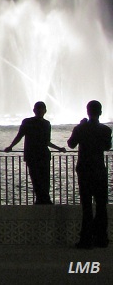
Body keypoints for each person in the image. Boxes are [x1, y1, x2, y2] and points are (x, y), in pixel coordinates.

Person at [67, 100, 112, 248]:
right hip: (99, 170)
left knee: (86, 206)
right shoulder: (106, 130)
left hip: (85, 170)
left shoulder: (81, 128)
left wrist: (80, 126)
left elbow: (71, 144)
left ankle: (86, 240)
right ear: (100, 112)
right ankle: (102, 238)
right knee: (101, 206)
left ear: (87, 111)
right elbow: (107, 146)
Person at [3, 101, 65, 204]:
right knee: (43, 179)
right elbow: (47, 142)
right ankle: (45, 200)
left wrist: (11, 147)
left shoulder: (28, 122)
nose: (40, 111)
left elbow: (20, 136)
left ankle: (41, 200)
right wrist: (59, 149)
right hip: (42, 155)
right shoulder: (46, 124)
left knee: (37, 179)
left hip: (32, 155)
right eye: (39, 109)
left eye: (41, 109)